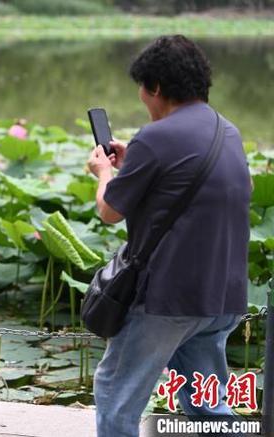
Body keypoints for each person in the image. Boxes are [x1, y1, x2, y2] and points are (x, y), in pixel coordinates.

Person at [86, 35, 251, 436]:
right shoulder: (227, 131)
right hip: (222, 298)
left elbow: (109, 210)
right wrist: (138, 162)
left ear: (156, 86)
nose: (143, 97)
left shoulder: (155, 138)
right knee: (207, 406)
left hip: (168, 299)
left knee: (116, 395)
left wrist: (104, 172)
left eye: (143, 88)